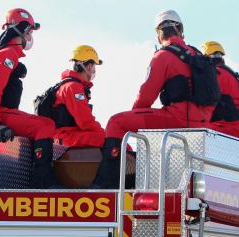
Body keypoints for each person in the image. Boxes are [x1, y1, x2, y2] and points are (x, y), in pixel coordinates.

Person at [92, 9, 217, 188]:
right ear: (181, 30)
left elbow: (146, 96)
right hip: (203, 126)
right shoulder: (198, 56)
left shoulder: (163, 56)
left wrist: (135, 117)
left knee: (116, 122)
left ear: (159, 35)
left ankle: (107, 184)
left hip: (177, 119)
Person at [0, 8, 60, 188]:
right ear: (22, 30)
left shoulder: (6, 53)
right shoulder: (7, 54)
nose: (30, 37)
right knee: (45, 125)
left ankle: (34, 176)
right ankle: (42, 181)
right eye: (29, 31)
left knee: (41, 124)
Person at [49, 45, 106, 148]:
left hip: (68, 135)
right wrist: (106, 134)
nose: (94, 70)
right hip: (64, 137)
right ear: (89, 66)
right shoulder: (74, 87)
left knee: (109, 139)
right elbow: (85, 121)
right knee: (109, 140)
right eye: (94, 66)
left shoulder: (72, 85)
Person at [201, 40, 239, 142]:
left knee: (195, 126)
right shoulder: (232, 75)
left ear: (205, 57)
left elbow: (203, 101)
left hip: (230, 130)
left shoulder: (217, 74)